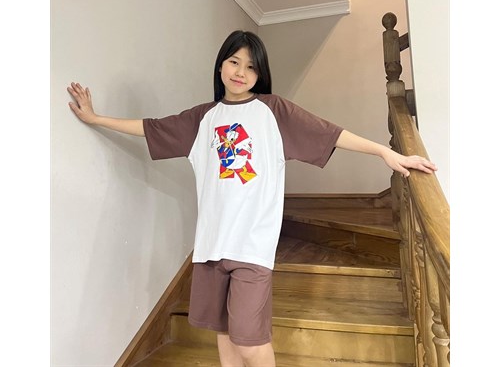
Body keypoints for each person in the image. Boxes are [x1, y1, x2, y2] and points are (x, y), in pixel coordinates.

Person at [67, 30, 437, 367]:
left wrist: (385, 152)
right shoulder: (202, 119)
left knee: (250, 340)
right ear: (221, 66)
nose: (241, 72)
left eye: (251, 66)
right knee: (225, 334)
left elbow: (330, 133)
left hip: (252, 247)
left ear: (260, 74)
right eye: (234, 62)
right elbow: (151, 128)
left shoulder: (274, 112)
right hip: (211, 246)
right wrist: (96, 119)